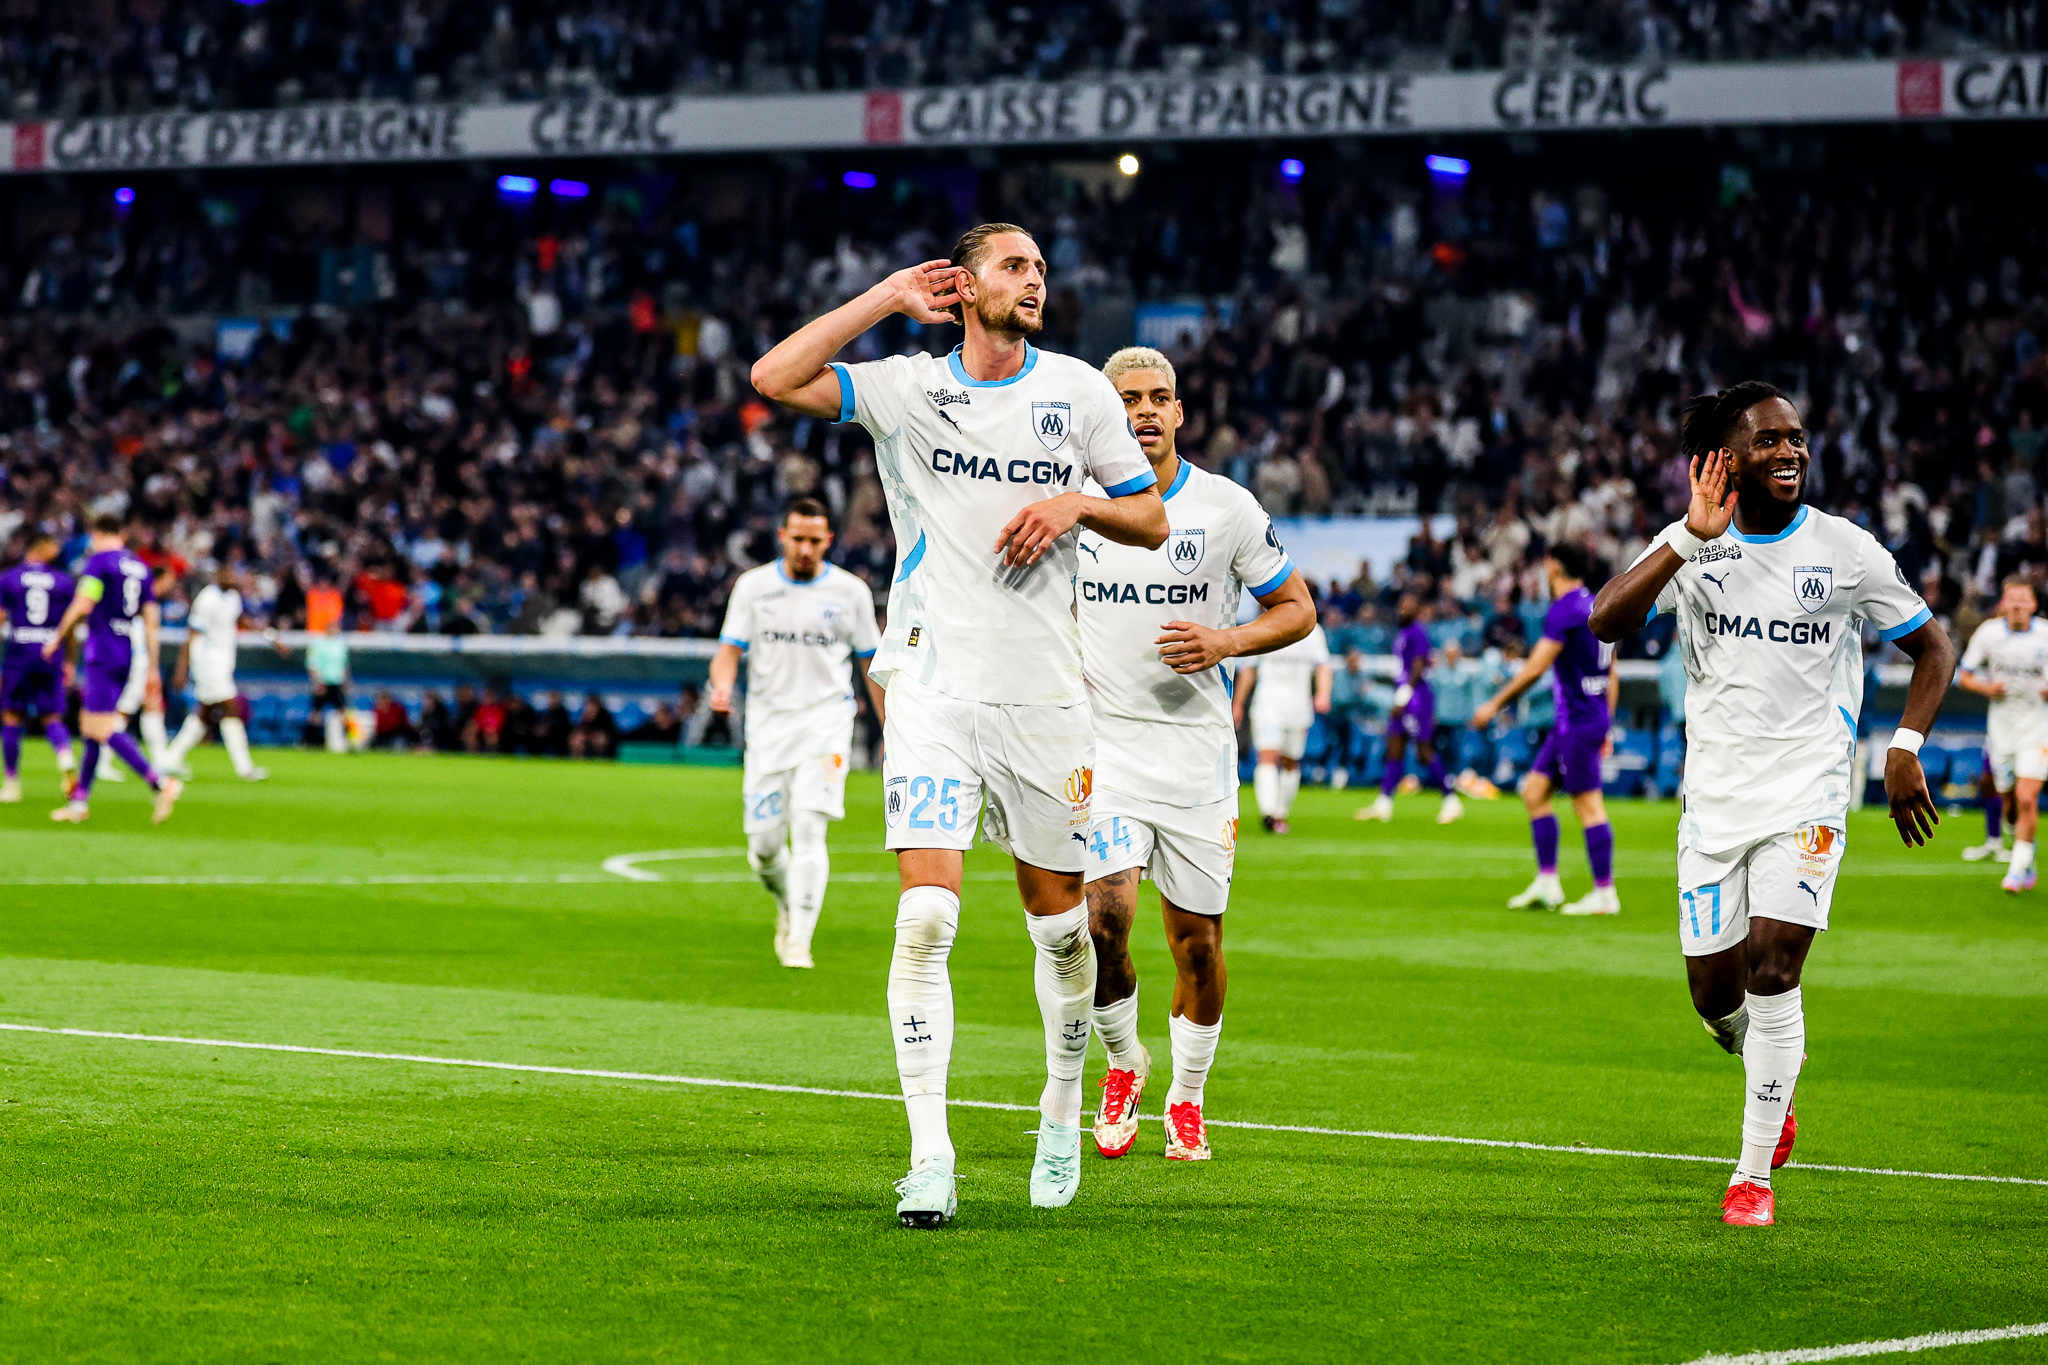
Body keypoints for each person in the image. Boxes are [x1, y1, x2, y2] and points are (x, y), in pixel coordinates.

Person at [751, 222, 1167, 1225]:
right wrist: (884, 296)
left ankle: (1059, 1108)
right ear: (965, 282)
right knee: (926, 918)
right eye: (1014, 266)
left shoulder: (1077, 391)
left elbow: (1148, 516)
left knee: (1059, 932)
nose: (1033, 282)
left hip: (1045, 697)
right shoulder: (904, 387)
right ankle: (928, 1154)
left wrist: (1074, 507)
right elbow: (774, 374)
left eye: (1039, 270)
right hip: (932, 687)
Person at [1588, 381, 1954, 1227]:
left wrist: (1905, 747)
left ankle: (1751, 1178)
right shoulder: (1692, 547)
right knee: (1715, 997)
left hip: (1810, 789)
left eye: (1796, 437)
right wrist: (1686, 536)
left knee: (1774, 967)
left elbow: (1932, 644)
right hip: (1714, 802)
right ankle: (1769, 1078)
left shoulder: (1844, 548)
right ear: (1721, 462)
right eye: (1768, 441)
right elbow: (1606, 621)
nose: (1790, 451)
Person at [1076, 347, 1314, 1163]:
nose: (1144, 411)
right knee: (1102, 920)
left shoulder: (1226, 508)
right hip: (1101, 749)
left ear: (1180, 412)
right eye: (1128, 399)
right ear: (1103, 412)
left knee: (1197, 946)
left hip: (1195, 756)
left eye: (1158, 398)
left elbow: (1297, 608)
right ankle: (1123, 1062)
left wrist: (1226, 638)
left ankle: (1187, 1094)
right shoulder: (1073, 505)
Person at [710, 497, 885, 970]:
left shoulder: (850, 593)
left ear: (828, 540)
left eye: (815, 540)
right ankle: (788, 903)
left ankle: (799, 942)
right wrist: (722, 688)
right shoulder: (754, 587)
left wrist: (892, 727)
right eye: (798, 538)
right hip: (768, 729)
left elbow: (872, 664)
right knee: (764, 850)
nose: (806, 549)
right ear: (782, 536)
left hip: (826, 724)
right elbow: (729, 650)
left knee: (810, 828)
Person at [1471, 542, 1622, 915]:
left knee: (1589, 807)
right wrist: (1607, 722)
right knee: (1534, 792)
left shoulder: (1565, 610)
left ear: (1553, 566)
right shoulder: (1599, 602)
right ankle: (1547, 882)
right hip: (1585, 718)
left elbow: (1536, 667)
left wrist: (1494, 703)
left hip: (1577, 722)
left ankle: (1605, 892)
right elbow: (1612, 670)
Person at [41, 515, 183, 824]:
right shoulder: (141, 568)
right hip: (126, 653)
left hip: (102, 653)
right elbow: (151, 619)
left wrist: (57, 637)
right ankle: (79, 803)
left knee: (100, 727)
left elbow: (83, 604)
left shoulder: (100, 563)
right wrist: (154, 668)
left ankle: (160, 783)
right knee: (92, 728)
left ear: (98, 534)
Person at [1955, 576, 2048, 892]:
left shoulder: (2045, 636)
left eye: (2024, 599)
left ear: (2034, 604)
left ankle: (2017, 871)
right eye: (2012, 599)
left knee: (2026, 797)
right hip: (2001, 731)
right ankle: (2026, 849)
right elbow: (1964, 675)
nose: (2018, 605)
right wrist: (1985, 687)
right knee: (2009, 804)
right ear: (2004, 604)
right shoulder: (1989, 634)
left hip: (2038, 729)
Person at [1357, 592, 1463, 824]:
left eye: (1408, 606)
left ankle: (1451, 801)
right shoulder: (1403, 632)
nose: (1402, 610)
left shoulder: (1417, 632)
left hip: (1417, 699)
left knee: (1424, 752)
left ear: (1417, 610)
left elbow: (1418, 665)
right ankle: (1383, 804)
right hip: (1404, 697)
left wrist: (1404, 695)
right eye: (1401, 606)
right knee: (1394, 748)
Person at [162, 563, 269, 782]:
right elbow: (192, 633)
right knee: (231, 708)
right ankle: (244, 768)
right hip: (207, 662)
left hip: (223, 661)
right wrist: (182, 670)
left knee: (205, 713)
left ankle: (170, 759)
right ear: (219, 575)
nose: (233, 578)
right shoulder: (207, 599)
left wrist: (269, 636)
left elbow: (239, 619)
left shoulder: (232, 597)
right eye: (228, 574)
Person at [0, 534, 80, 801]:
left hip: (20, 652)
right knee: (52, 716)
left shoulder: (10, 578)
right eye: (54, 546)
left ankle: (11, 783)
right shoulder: (62, 580)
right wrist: (69, 660)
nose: (58, 550)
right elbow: (70, 624)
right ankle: (66, 759)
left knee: (11, 716)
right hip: (50, 652)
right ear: (43, 547)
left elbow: (0, 617)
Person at [1232, 620, 1332, 833]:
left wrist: (1323, 693)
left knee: (1290, 761)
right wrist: (1238, 704)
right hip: (1268, 704)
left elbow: (1322, 664)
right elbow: (1249, 669)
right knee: (1267, 756)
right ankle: (1268, 813)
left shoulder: (1312, 630)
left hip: (1298, 707)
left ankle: (1280, 812)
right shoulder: (1262, 627)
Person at [306, 620, 350, 753]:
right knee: (316, 713)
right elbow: (312, 665)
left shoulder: (340, 645)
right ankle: (311, 740)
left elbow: (345, 665)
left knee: (343, 712)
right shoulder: (318, 644)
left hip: (337, 682)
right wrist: (317, 682)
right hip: (323, 682)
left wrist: (346, 682)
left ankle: (349, 741)